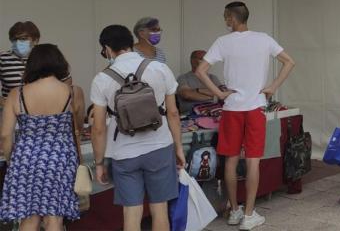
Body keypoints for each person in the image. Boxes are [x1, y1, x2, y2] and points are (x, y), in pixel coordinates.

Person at [196, 1, 295, 230]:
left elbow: (200, 71)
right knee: (253, 161)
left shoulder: (223, 42)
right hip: (255, 107)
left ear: (232, 18)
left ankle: (234, 210)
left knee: (230, 160)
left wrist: (219, 93)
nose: (224, 21)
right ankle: (249, 214)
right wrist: (273, 86)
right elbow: (290, 62)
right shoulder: (264, 39)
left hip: (232, 108)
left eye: (225, 17)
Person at [90, 25, 185, 231]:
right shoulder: (159, 68)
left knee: (131, 212)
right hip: (160, 146)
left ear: (107, 48)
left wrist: (99, 163)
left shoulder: (102, 78)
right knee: (159, 209)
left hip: (124, 153)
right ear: (130, 43)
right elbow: (173, 113)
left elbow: (98, 127)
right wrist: (178, 147)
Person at [0, 44, 81, 230]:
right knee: (55, 217)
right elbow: (76, 124)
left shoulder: (16, 94)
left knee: (29, 217)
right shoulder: (72, 92)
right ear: (60, 63)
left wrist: (11, 159)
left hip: (25, 158)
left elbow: (5, 134)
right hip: (60, 158)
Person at [0, 21, 40, 106]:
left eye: (23, 39)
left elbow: (66, 84)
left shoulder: (46, 58)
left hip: (40, 112)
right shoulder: (2, 58)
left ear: (35, 40)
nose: (18, 42)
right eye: (14, 39)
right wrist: (6, 104)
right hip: (12, 112)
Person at [177, 50, 222, 115]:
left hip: (214, 113)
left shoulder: (213, 77)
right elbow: (187, 95)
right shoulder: (183, 78)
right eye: (202, 59)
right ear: (192, 61)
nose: (206, 62)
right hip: (190, 115)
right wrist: (213, 96)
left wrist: (197, 91)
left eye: (207, 59)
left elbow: (222, 94)